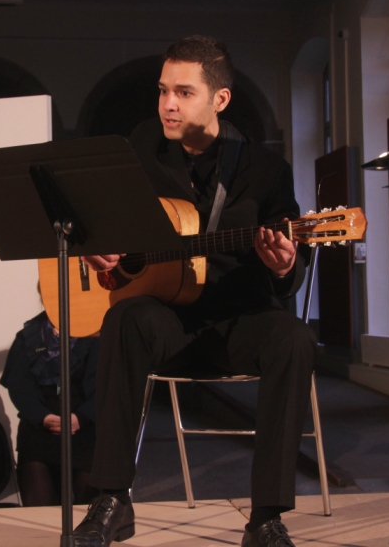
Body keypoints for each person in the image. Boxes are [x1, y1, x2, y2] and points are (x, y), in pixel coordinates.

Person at [73, 35, 316, 547]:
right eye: (163, 90)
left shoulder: (265, 170)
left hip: (237, 323)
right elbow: (92, 215)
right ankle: (112, 499)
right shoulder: (140, 150)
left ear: (219, 99)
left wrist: (283, 265)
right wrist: (94, 248)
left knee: (293, 337)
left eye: (184, 93)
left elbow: (292, 272)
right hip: (167, 320)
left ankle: (266, 518)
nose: (168, 104)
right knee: (124, 318)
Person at [0, 311, 100, 506]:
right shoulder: (29, 335)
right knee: (39, 511)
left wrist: (81, 417)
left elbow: (110, 385)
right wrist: (43, 418)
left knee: (89, 509)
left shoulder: (98, 333)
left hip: (88, 431)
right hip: (40, 431)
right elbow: (19, 386)